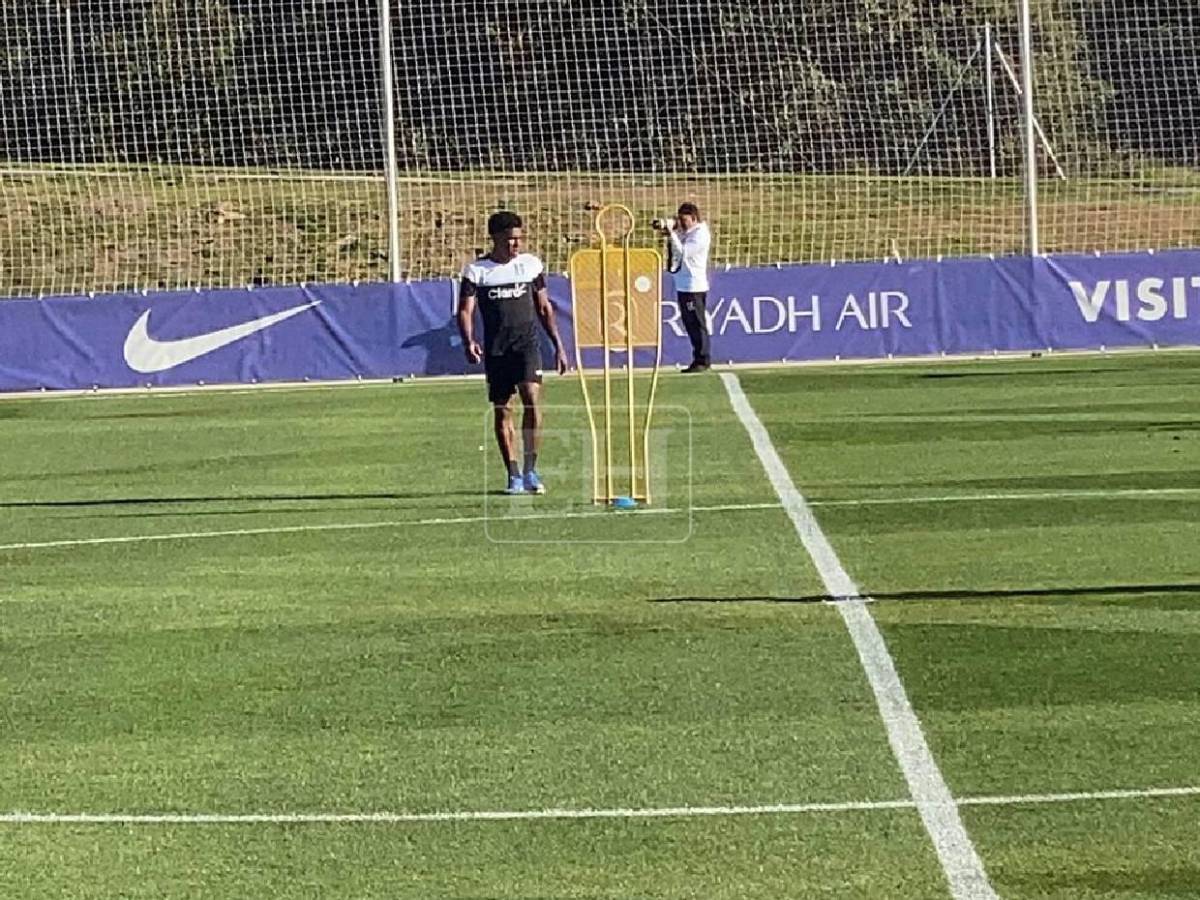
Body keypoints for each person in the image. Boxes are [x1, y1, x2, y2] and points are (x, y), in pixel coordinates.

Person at [457, 211, 568, 495]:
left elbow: (544, 307)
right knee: (504, 409)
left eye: (519, 239)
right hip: (497, 349)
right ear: (495, 238)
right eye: (509, 240)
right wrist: (469, 340)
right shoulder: (477, 271)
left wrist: (558, 344)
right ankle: (514, 474)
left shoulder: (530, 266)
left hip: (527, 345)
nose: (515, 245)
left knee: (532, 400)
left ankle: (532, 469)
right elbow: (465, 310)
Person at [656, 202, 712, 373]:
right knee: (689, 324)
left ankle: (702, 359)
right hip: (683, 285)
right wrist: (668, 229)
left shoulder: (700, 234)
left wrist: (672, 233)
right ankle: (698, 358)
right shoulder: (687, 232)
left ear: (694, 218)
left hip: (693, 286)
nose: (681, 223)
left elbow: (683, 252)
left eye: (684, 219)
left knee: (697, 323)